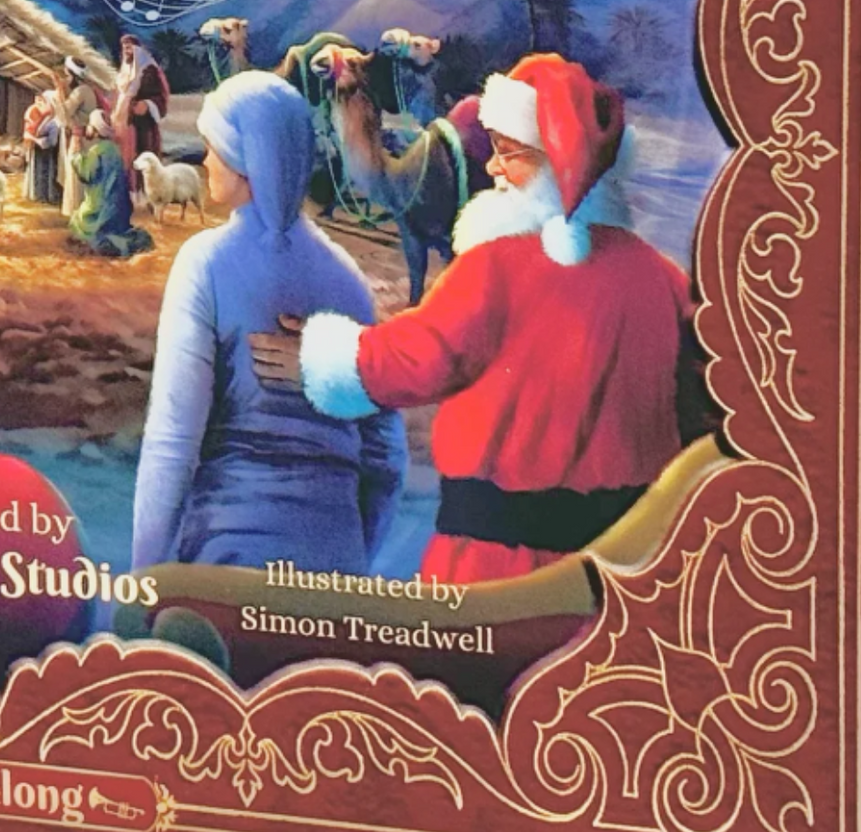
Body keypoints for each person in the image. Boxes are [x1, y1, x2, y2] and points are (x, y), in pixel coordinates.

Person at [250, 53, 699, 585]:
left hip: (496, 570)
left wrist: (324, 357)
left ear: (557, 163)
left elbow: (420, 355)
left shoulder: (495, 268)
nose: (492, 169)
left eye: (509, 154)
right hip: (630, 572)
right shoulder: (665, 279)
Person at [132, 71, 405, 573]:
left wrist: (144, 576)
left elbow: (174, 442)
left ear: (246, 159)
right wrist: (355, 556)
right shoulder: (348, 279)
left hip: (228, 558)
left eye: (215, 148)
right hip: (336, 558)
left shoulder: (206, 262)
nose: (206, 161)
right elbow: (385, 458)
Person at [68, 110, 154, 258]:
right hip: (119, 207)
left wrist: (75, 154)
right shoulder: (113, 149)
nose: (87, 128)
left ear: (96, 130)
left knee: (77, 221)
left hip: (102, 206)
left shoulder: (97, 151)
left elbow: (86, 174)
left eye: (90, 125)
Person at [112, 34, 171, 175]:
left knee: (143, 159)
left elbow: (161, 96)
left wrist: (147, 104)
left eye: (129, 48)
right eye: (124, 48)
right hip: (125, 123)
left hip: (143, 125)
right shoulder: (125, 70)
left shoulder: (148, 70)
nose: (127, 52)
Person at [59, 57, 105, 217]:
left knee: (77, 178)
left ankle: (78, 215)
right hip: (89, 140)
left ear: (72, 74)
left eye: (67, 74)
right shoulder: (87, 90)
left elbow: (63, 115)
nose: (65, 78)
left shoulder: (81, 92)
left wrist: (59, 90)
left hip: (81, 141)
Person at [21, 75, 64, 206]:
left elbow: (52, 141)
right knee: (39, 174)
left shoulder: (54, 122)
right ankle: (39, 196)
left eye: (44, 103)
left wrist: (36, 139)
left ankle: (49, 197)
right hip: (40, 153)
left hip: (48, 155)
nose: (40, 105)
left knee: (47, 175)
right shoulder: (43, 119)